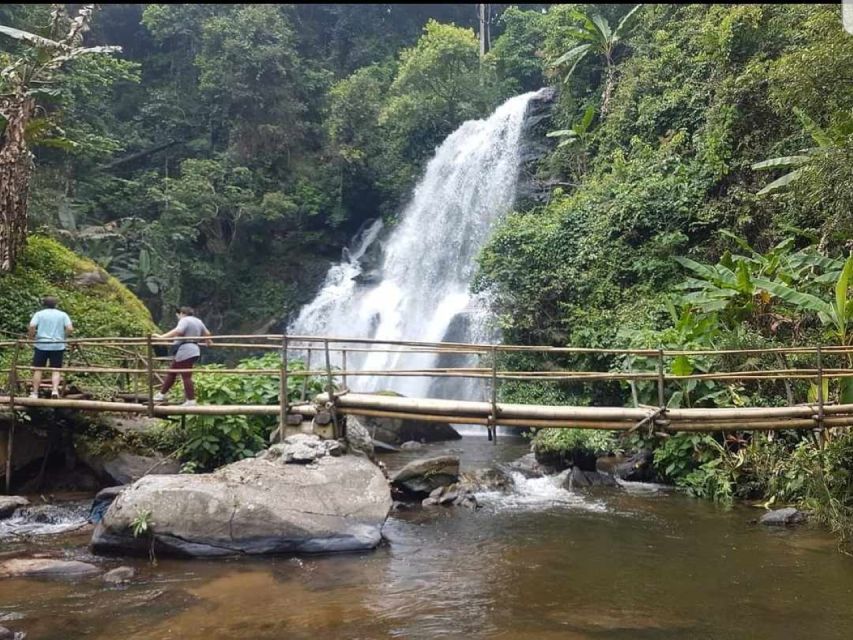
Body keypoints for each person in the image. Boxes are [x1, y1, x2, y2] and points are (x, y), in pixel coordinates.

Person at [152, 306, 211, 406]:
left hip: (185, 350)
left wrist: (162, 337)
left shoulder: (185, 320)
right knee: (172, 372)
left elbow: (178, 331)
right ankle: (161, 394)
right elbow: (207, 333)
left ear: (182, 313)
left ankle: (191, 400)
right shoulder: (198, 321)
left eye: (178, 315)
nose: (178, 318)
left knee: (186, 376)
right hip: (194, 349)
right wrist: (208, 341)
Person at [28, 296, 74, 399]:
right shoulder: (62, 315)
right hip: (58, 345)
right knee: (56, 369)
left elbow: (32, 326)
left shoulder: (39, 314)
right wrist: (63, 337)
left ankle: (35, 393)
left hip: (41, 344)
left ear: (44, 304)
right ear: (56, 304)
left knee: (38, 369)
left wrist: (31, 337)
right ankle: (54, 391)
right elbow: (70, 328)